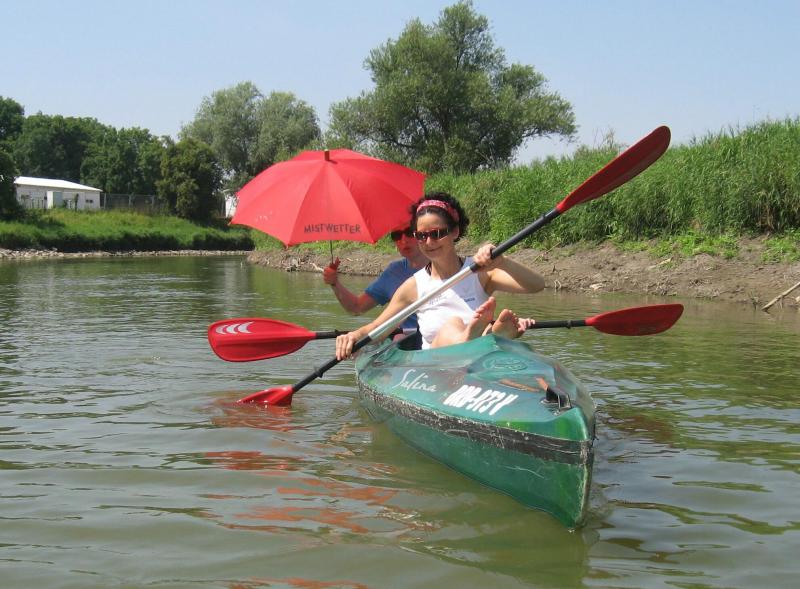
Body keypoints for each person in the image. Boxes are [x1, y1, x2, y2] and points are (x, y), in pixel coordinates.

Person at [335, 192, 544, 359]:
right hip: (436, 372)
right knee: (452, 325)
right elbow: (377, 328)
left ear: (455, 232)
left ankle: (482, 336)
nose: (429, 242)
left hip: (479, 367)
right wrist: (354, 336)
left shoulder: (479, 272)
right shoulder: (414, 286)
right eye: (421, 236)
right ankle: (482, 336)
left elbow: (537, 285)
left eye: (436, 234)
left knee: (458, 326)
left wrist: (503, 262)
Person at [323, 223, 428, 330]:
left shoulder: (439, 268)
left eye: (409, 233)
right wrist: (335, 283)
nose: (404, 240)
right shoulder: (393, 272)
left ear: (421, 234)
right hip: (406, 338)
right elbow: (356, 307)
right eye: (396, 235)